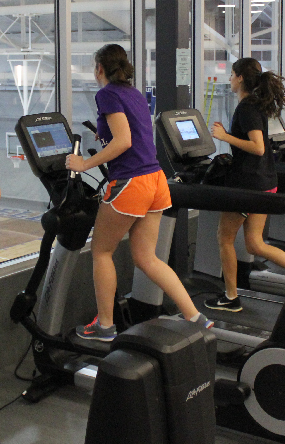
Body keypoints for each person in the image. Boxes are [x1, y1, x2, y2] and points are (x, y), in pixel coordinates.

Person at [65, 44, 212, 340]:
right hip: (155, 180)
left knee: (101, 251)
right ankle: (195, 317)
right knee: (147, 258)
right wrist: (103, 133)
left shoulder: (106, 93)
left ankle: (105, 325)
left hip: (132, 183)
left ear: (100, 69)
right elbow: (130, 133)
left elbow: (123, 141)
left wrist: (83, 164)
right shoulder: (133, 93)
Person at [204, 58, 285, 313]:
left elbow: (258, 147)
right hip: (265, 181)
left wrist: (226, 137)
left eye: (232, 75)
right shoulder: (257, 105)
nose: (230, 80)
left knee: (224, 238)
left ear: (239, 78)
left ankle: (231, 297)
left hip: (247, 185)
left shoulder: (247, 108)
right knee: (255, 244)